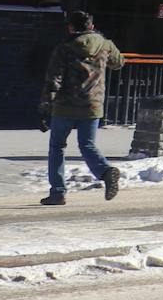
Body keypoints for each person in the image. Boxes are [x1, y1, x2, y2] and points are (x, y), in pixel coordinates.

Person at [39, 11, 125, 206]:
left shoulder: (64, 48)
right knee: (87, 144)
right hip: (93, 105)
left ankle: (58, 192)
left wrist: (45, 105)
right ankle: (105, 171)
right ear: (91, 26)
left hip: (65, 106)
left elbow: (54, 78)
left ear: (71, 27)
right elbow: (119, 62)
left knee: (57, 147)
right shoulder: (105, 44)